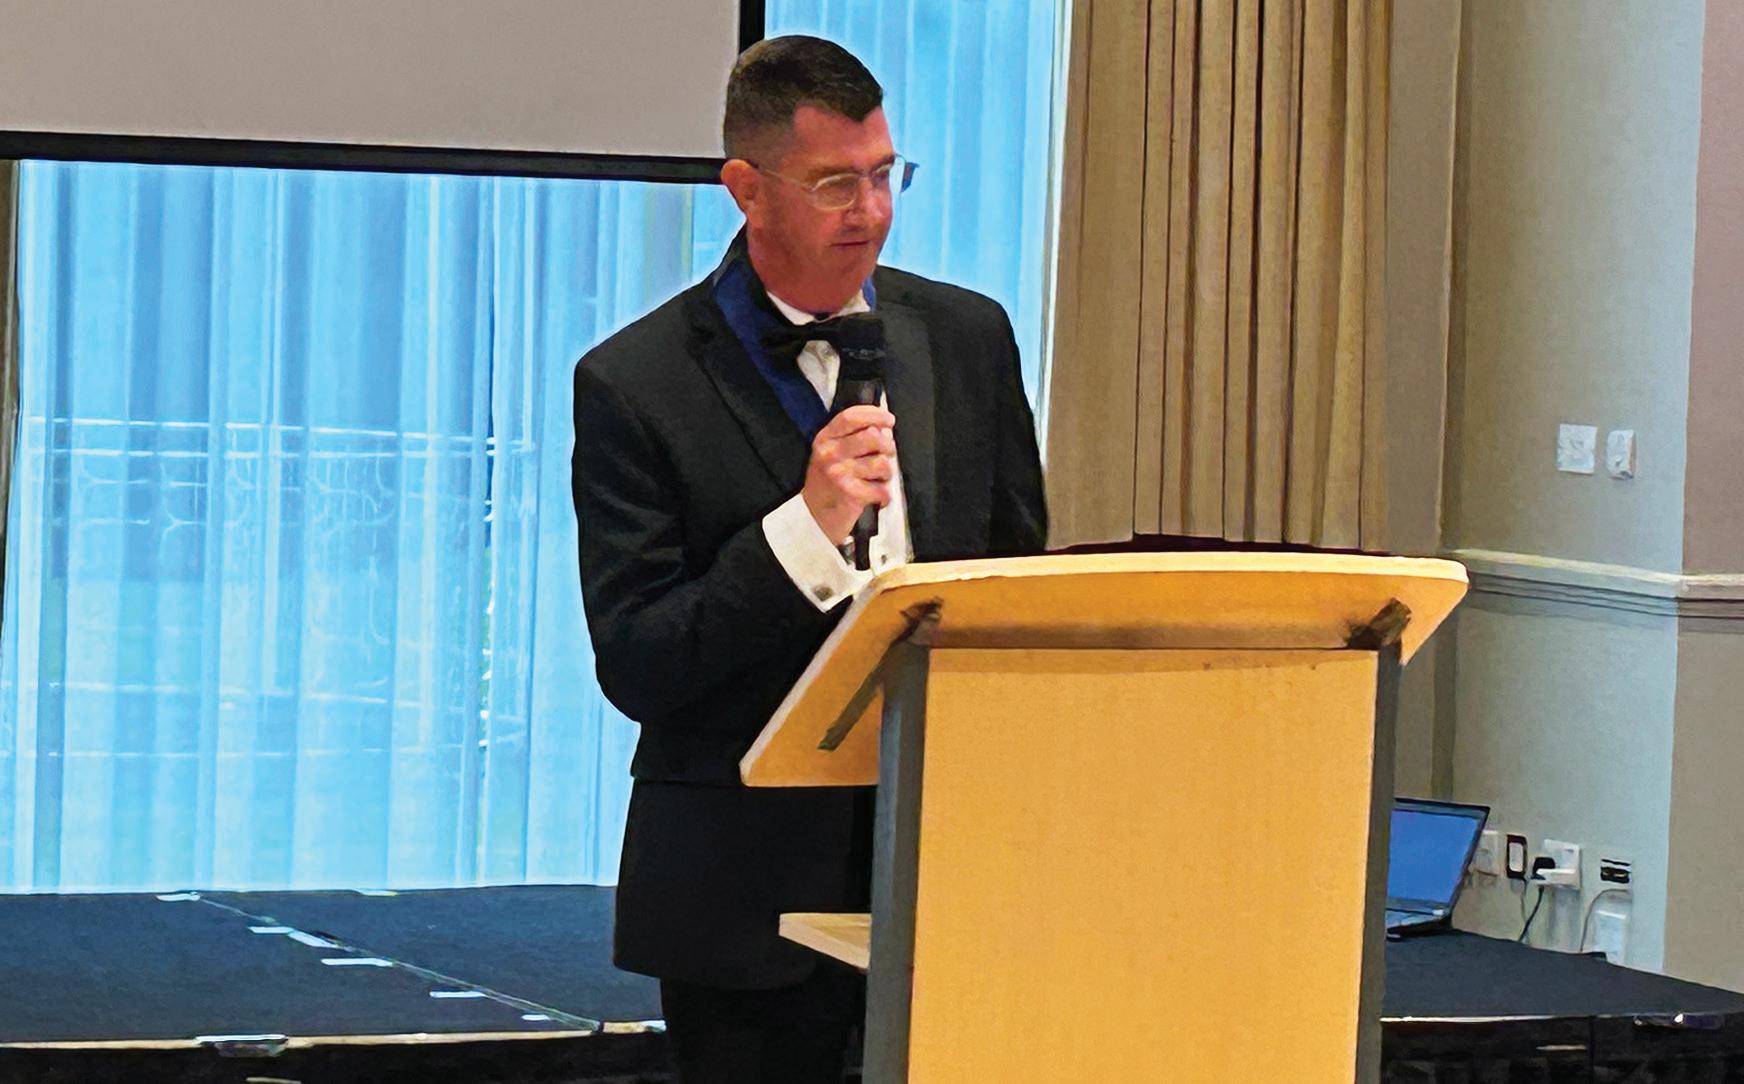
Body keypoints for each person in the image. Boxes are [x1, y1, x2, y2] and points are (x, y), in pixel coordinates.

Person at [571, 34, 1047, 1083]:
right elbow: (640, 660)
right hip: (743, 892)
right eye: (835, 184)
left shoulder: (967, 335)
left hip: (952, 871)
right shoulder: (636, 383)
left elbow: (1016, 576)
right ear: (746, 189)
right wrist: (802, 531)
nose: (869, 211)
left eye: (884, 175)